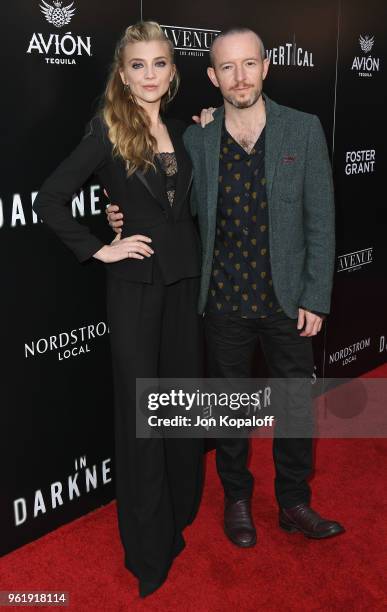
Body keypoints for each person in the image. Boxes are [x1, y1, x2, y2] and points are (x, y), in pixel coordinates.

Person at [107, 27, 345, 547]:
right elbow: (167, 205)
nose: (241, 77)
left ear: (266, 67)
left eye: (249, 64)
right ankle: (236, 498)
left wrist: (315, 296)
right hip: (222, 302)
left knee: (295, 408)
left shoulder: (302, 130)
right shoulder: (196, 140)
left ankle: (294, 503)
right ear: (213, 77)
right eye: (228, 68)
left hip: (287, 302)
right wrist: (121, 214)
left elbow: (320, 221)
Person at [33, 21, 205, 598]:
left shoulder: (184, 130)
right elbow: (50, 197)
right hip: (133, 288)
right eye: (138, 65)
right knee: (142, 419)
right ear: (122, 72)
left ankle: (180, 512)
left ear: (173, 71)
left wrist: (204, 128)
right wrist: (101, 246)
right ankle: (148, 546)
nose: (150, 74)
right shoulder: (108, 131)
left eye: (160, 63)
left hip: (184, 284)